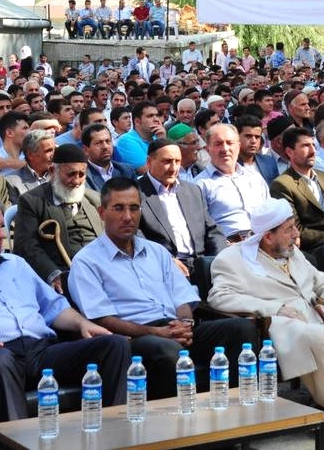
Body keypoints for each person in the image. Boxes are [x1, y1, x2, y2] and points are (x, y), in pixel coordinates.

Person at [0, 192, 129, 426]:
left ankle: (113, 435)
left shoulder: (16, 264)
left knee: (114, 345)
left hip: (42, 351)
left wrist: (82, 323)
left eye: (2, 226)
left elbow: (54, 306)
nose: (3, 234)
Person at [208, 199, 324, 437]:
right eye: (289, 229)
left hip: (320, 316)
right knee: (315, 337)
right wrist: (273, 308)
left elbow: (321, 280)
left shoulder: (291, 251)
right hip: (284, 326)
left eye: (295, 226)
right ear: (267, 237)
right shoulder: (232, 259)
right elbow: (218, 297)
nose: (296, 234)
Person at [68, 178, 258, 398]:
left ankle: (237, 407)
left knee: (241, 329)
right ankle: (184, 422)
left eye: (134, 208)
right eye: (118, 208)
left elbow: (182, 297)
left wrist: (185, 325)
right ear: (102, 213)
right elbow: (101, 318)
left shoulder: (156, 252)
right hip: (135, 338)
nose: (128, 217)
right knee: (166, 349)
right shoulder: (86, 261)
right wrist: (156, 332)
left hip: (175, 328)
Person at [12, 143, 103, 293]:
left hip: (102, 271)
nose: (77, 181)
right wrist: (53, 274)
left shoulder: (94, 199)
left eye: (81, 174)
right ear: (53, 171)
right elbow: (26, 246)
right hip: (65, 276)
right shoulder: (32, 201)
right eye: (71, 174)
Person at [136, 138, 226, 280]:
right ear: (149, 162)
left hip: (202, 264)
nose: (173, 168)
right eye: (167, 161)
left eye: (177, 162)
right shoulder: (135, 193)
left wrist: (217, 260)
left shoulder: (192, 190)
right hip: (163, 268)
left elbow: (212, 230)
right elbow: (135, 235)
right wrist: (166, 260)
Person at [269, 127, 324, 255]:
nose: (313, 151)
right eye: (306, 146)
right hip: (317, 249)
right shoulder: (282, 185)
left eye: (314, 145)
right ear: (290, 152)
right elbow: (295, 229)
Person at [195, 119, 274, 242]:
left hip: (264, 242)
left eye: (230, 143)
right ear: (208, 149)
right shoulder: (199, 185)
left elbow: (270, 213)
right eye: (218, 144)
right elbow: (200, 231)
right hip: (230, 248)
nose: (225, 149)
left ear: (238, 145)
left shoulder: (255, 177)